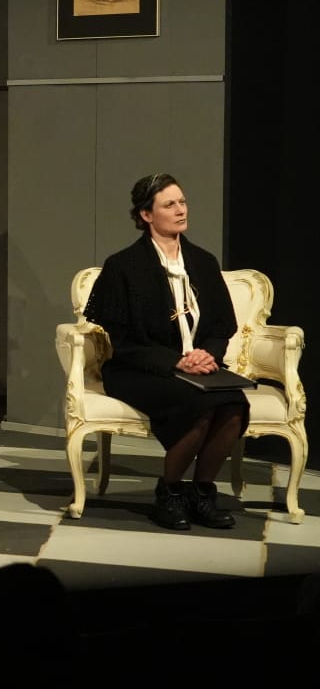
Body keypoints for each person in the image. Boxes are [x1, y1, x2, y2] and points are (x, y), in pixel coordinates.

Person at [82, 173, 247, 530]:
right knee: (198, 405)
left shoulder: (203, 261)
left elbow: (222, 325)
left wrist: (207, 355)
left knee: (234, 405)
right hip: (138, 369)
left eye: (182, 202)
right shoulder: (123, 266)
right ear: (146, 215)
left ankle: (202, 494)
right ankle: (169, 493)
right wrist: (177, 361)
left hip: (199, 366)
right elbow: (124, 341)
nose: (180, 210)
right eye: (169, 204)